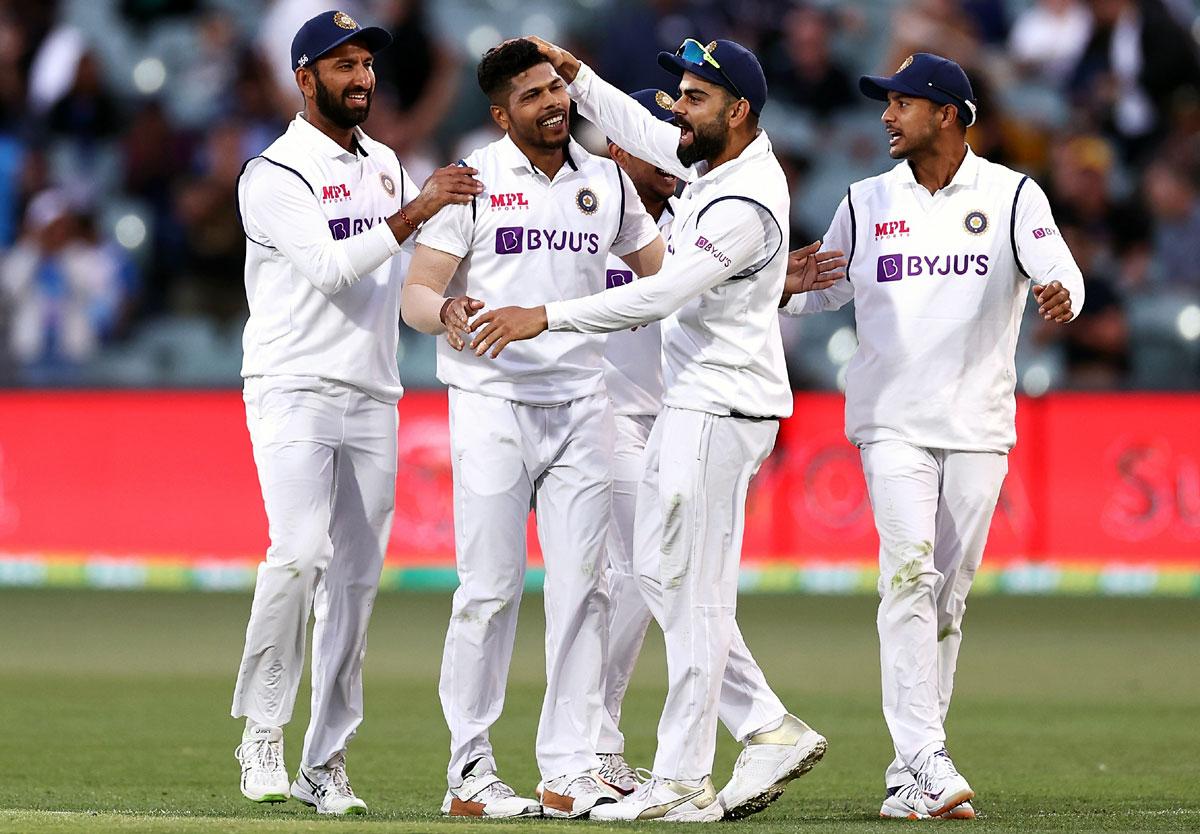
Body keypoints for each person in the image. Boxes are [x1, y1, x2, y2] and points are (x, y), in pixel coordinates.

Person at [466, 36, 830, 822]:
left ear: (738, 110)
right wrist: (579, 77)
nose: (677, 109)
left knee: (684, 588)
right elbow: (635, 125)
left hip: (718, 404)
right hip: (699, 402)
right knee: (667, 580)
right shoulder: (719, 162)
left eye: (693, 97)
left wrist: (545, 318)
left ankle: (684, 774)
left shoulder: (741, 200)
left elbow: (657, 297)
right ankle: (762, 728)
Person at [779, 52, 1085, 820]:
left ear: (947, 114)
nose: (886, 116)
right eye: (885, 104)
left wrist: (1061, 296)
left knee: (946, 598)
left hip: (979, 423)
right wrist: (777, 284)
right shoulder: (865, 199)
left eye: (901, 104)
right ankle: (926, 757)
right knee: (907, 577)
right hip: (890, 423)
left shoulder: (1013, 194)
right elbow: (823, 291)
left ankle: (906, 772)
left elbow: (1064, 274)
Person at [400, 38, 664, 819]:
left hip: (585, 403)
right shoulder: (475, 180)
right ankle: (469, 771)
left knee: (587, 591)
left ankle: (569, 766)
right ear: (500, 114)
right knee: (489, 589)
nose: (552, 104)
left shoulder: (609, 181)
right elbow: (416, 292)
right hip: (491, 404)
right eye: (532, 97)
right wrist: (444, 311)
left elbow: (667, 273)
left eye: (556, 89)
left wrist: (756, 278)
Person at [229, 9, 481, 816]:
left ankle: (325, 759)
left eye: (367, 63)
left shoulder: (382, 163)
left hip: (373, 393)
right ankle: (261, 734)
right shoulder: (273, 174)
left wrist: (450, 288)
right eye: (343, 65)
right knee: (298, 554)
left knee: (356, 582)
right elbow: (335, 267)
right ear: (306, 80)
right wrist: (418, 210)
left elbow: (418, 253)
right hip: (292, 384)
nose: (363, 77)